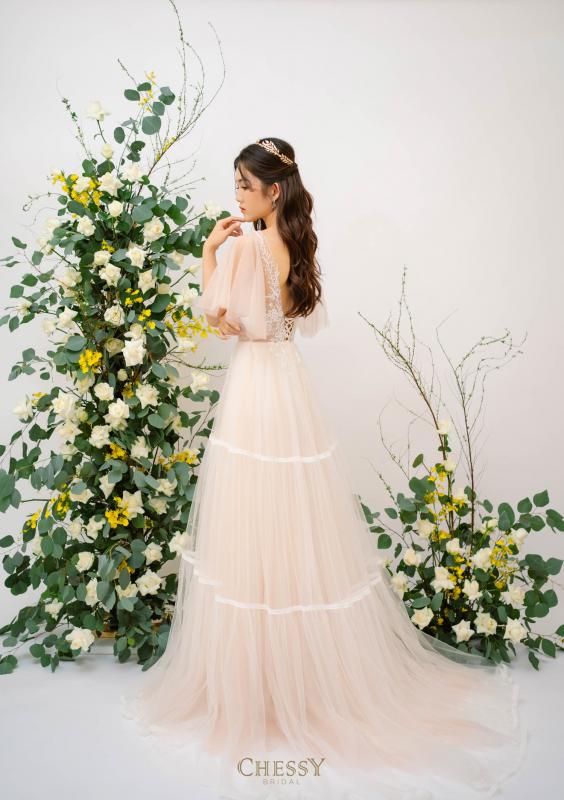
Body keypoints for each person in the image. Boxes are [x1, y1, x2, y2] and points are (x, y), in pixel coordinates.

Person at [121, 138, 527, 800]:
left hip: (256, 390)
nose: (238, 195)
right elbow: (285, 321)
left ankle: (263, 686)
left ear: (274, 190)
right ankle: (297, 679)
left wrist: (209, 252)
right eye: (236, 183)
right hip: (288, 384)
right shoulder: (293, 241)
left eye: (246, 185)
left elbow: (220, 318)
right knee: (292, 521)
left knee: (255, 519)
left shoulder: (250, 246)